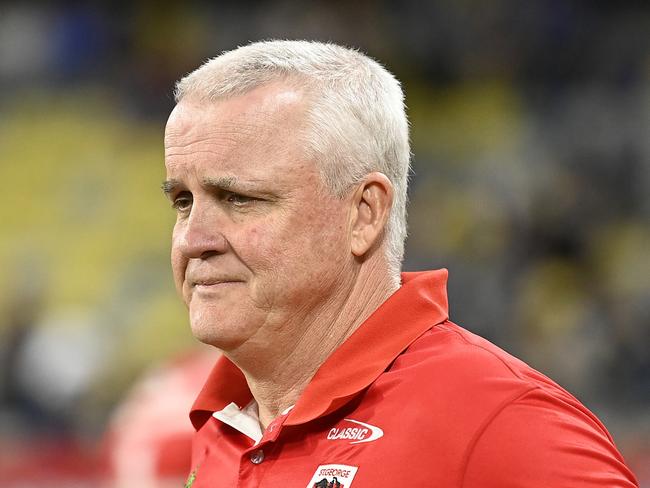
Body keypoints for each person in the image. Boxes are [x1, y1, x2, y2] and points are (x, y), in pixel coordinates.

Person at [162, 40, 638, 487]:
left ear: (364, 213)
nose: (193, 239)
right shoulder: (224, 425)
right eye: (183, 202)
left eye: (239, 198)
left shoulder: (501, 421)